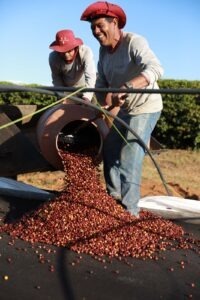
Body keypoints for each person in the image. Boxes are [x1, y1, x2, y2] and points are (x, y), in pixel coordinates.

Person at [80, 1, 164, 217]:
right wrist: (102, 104)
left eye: (99, 26)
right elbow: (102, 83)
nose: (96, 32)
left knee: (130, 154)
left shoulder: (134, 42)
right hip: (126, 108)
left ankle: (129, 212)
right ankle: (113, 200)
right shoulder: (104, 51)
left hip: (145, 106)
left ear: (114, 22)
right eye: (93, 29)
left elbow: (155, 68)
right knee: (109, 149)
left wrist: (128, 86)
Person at [49, 29, 96, 102]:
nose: (66, 55)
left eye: (69, 51)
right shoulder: (53, 58)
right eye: (62, 52)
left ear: (75, 47)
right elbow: (56, 78)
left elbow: (91, 76)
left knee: (93, 109)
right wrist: (61, 96)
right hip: (67, 90)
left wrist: (87, 97)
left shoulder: (85, 52)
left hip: (85, 88)